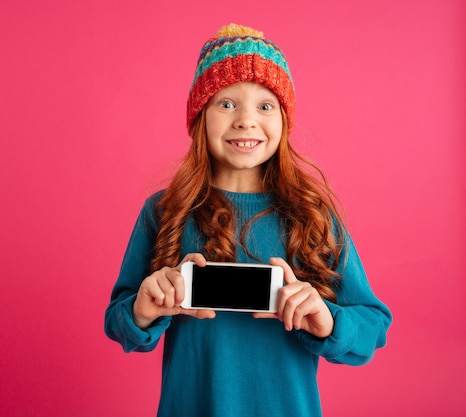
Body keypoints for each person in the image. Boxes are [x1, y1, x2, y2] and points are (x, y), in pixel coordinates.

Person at [104, 23, 392, 417]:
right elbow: (118, 321)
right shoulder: (163, 211)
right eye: (226, 103)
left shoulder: (312, 216)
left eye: (265, 105)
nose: (245, 120)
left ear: (284, 120)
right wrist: (142, 309)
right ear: (199, 116)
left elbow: (373, 326)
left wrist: (328, 320)